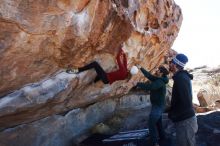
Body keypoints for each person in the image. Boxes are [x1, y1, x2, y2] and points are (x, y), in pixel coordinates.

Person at [134, 65, 169, 146]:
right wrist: (141, 68)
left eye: (158, 70)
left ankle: (154, 142)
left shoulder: (160, 82)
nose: (156, 71)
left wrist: (138, 83)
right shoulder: (159, 79)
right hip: (158, 106)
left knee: (151, 123)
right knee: (158, 123)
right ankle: (162, 138)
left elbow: (151, 87)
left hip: (158, 107)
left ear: (161, 72)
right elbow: (149, 76)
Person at [168, 53, 198, 146]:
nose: (170, 64)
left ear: (175, 65)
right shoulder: (181, 77)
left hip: (185, 122)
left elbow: (185, 101)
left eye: (171, 63)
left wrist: (173, 113)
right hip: (185, 120)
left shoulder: (181, 78)